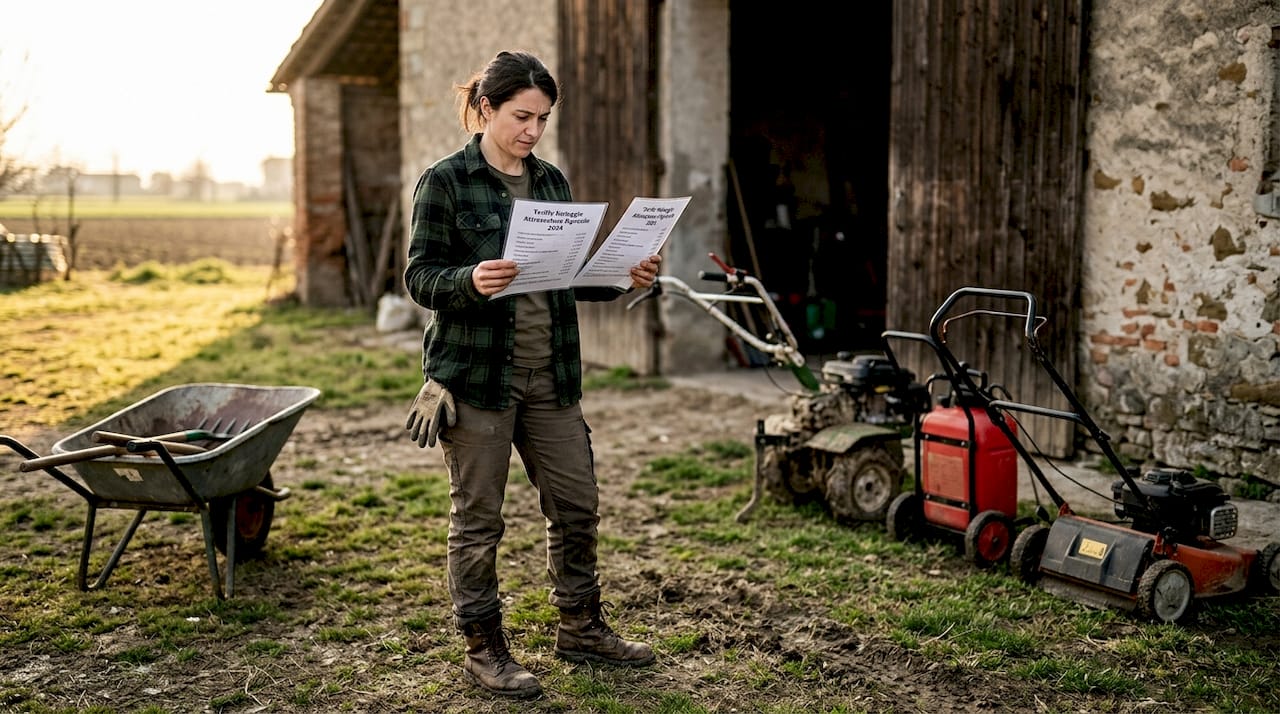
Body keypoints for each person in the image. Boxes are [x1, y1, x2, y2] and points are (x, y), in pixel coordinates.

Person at [402, 50, 662, 700]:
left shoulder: (551, 183)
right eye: (522, 116)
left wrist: (622, 276)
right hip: (476, 380)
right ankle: (483, 647)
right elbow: (419, 277)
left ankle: (581, 626)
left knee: (577, 505)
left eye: (543, 118)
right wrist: (469, 279)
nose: (533, 130)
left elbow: (564, 278)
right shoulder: (445, 181)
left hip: (552, 377)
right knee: (478, 521)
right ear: (485, 107)